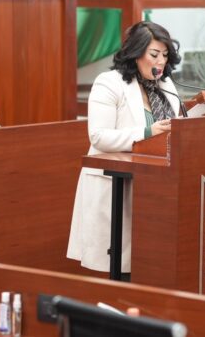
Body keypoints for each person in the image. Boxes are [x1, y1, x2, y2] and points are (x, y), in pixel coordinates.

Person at [67, 21, 182, 273]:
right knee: (117, 266)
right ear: (136, 52)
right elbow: (99, 136)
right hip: (116, 185)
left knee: (147, 267)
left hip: (154, 188)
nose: (160, 62)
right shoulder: (109, 83)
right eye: (154, 54)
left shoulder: (165, 86)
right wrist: (147, 132)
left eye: (165, 55)